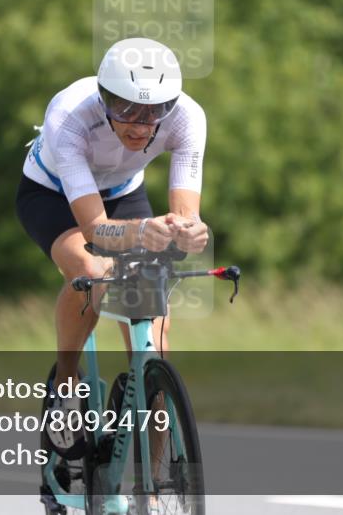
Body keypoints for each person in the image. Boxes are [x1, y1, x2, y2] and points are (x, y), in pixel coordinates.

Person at [15, 37, 209, 452]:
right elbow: (94, 231)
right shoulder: (69, 115)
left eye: (155, 110)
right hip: (52, 194)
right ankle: (66, 382)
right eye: (126, 109)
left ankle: (156, 488)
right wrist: (141, 233)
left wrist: (189, 231)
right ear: (104, 97)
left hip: (123, 193)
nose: (140, 124)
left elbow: (184, 214)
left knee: (155, 331)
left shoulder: (188, 117)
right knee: (91, 272)